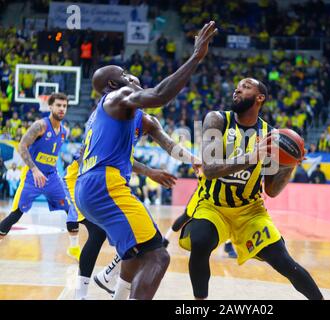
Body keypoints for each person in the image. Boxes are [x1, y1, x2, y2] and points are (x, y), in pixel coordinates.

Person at [74, 21, 217, 300]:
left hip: (91, 186)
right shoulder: (118, 97)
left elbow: (166, 142)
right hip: (105, 185)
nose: (132, 75)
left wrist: (192, 161)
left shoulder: (129, 116)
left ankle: (115, 289)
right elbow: (160, 95)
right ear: (114, 84)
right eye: (125, 73)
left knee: (135, 249)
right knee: (158, 256)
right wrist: (195, 57)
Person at [178, 78, 323, 300]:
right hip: (212, 207)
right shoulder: (217, 120)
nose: (237, 89)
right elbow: (209, 169)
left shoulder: (271, 137)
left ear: (260, 98)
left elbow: (272, 190)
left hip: (250, 211)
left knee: (283, 261)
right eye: (237, 86)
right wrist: (250, 157)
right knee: (200, 241)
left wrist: (289, 166)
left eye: (245, 86)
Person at [0, 93, 74, 254]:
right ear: (50, 107)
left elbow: (52, 154)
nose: (62, 109)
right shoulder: (40, 126)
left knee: (71, 209)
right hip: (32, 177)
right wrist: (34, 169)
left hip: (52, 177)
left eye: (64, 106)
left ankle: (74, 247)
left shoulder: (64, 132)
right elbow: (22, 146)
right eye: (58, 105)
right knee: (16, 214)